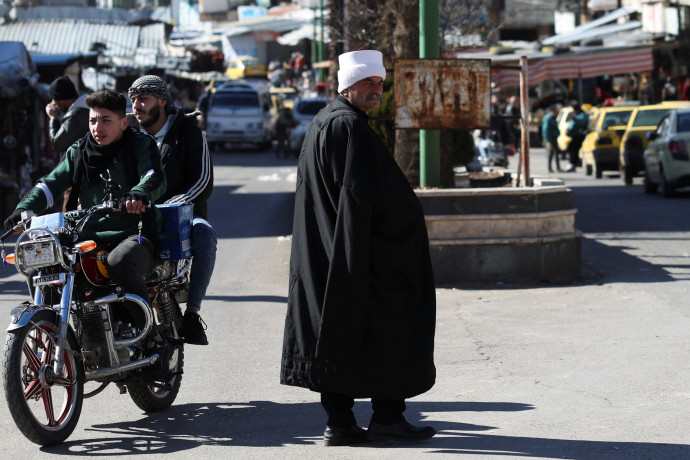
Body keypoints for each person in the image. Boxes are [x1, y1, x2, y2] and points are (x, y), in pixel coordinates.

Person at [280, 50, 437, 447]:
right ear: (347, 84)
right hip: (360, 255)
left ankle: (341, 422)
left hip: (336, 253)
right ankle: (387, 417)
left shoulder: (329, 121)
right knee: (392, 327)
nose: (375, 90)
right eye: (367, 83)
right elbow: (358, 198)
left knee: (338, 331)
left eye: (380, 84)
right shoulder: (347, 126)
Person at [4, 89, 166, 324]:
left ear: (123, 122)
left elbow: (153, 176)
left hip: (133, 233)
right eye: (92, 120)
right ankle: (50, 329)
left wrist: (138, 193)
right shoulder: (79, 150)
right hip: (84, 237)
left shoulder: (140, 145)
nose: (97, 128)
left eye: (105, 120)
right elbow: (50, 184)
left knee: (118, 262)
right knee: (39, 261)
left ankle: (150, 332)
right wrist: (24, 209)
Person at [128, 74, 216, 346]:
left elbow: (204, 181)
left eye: (143, 99)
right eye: (133, 100)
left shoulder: (189, 131)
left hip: (181, 215)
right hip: (135, 217)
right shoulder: (128, 133)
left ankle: (192, 314)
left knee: (205, 235)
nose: (136, 106)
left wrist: (174, 204)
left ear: (163, 102)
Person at [45, 75, 90, 211]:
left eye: (55, 99)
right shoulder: (86, 110)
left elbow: (57, 143)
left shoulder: (74, 115)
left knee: (68, 218)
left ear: (61, 99)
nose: (53, 102)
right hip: (86, 174)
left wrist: (53, 118)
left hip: (76, 175)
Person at [566, 103, 588, 172]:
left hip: (579, 136)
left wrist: (573, 118)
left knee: (574, 150)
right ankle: (572, 163)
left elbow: (580, 122)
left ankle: (573, 164)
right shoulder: (576, 115)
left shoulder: (583, 115)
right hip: (574, 136)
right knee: (571, 149)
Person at [541, 105, 562, 173]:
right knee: (551, 153)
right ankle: (550, 168)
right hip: (550, 138)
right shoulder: (549, 118)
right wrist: (548, 140)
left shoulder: (552, 117)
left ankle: (558, 167)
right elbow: (546, 129)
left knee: (556, 153)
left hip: (553, 137)